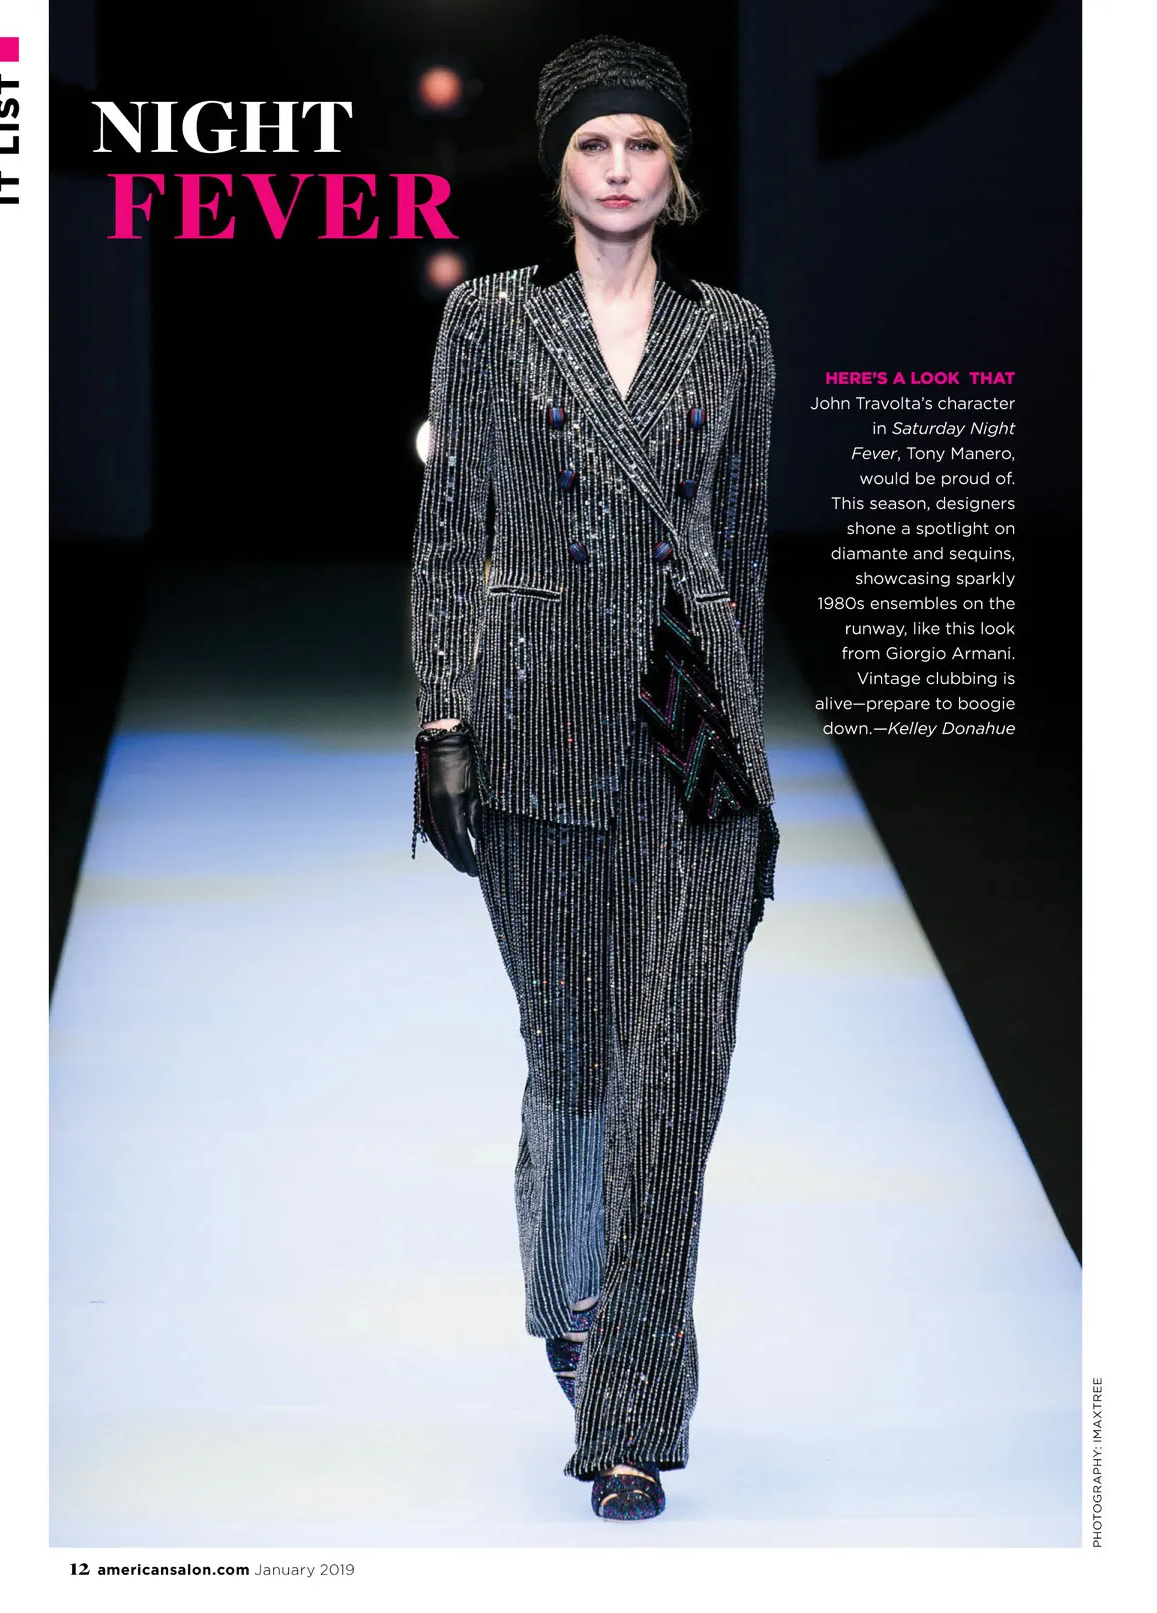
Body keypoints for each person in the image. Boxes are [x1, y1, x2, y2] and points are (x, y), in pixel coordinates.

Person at [409, 34, 778, 1523]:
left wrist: (753, 768)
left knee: (674, 1079)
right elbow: (453, 535)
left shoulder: (731, 334)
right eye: (592, 145)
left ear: (675, 168)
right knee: (572, 1061)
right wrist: (444, 727)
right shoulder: (494, 321)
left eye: (643, 145)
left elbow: (740, 556)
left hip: (691, 744)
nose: (618, 170)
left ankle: (629, 1409)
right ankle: (574, 1299)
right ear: (560, 169)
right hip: (538, 737)